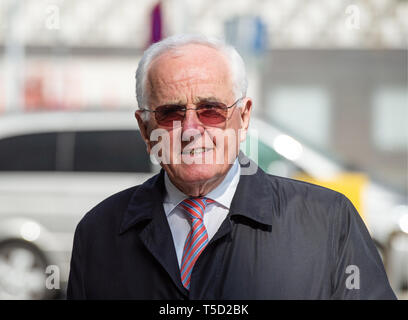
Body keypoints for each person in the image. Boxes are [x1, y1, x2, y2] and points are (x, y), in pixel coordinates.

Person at [67, 34, 396, 299]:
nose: (192, 130)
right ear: (145, 129)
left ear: (244, 117)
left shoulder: (328, 222)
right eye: (171, 113)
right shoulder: (100, 232)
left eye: (211, 109)